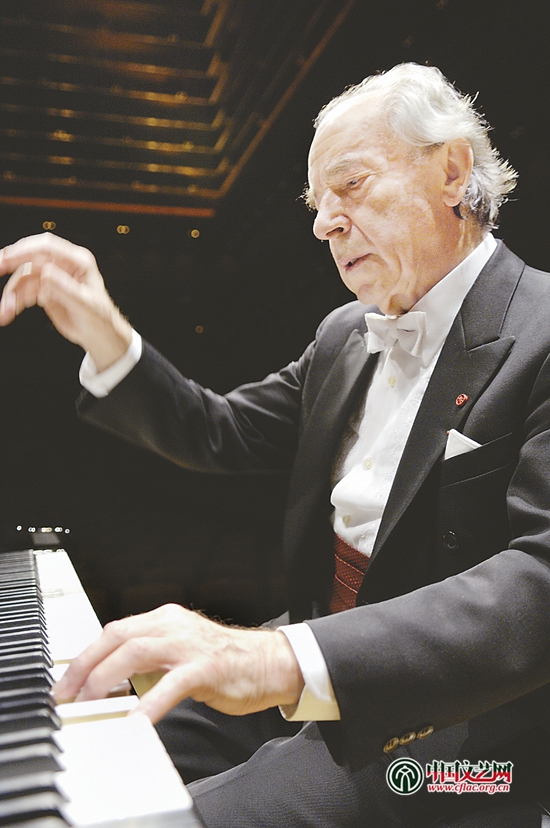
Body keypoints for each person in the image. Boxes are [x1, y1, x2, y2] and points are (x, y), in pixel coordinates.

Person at [1, 63, 550, 828]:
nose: (325, 224)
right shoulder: (343, 336)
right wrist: (105, 332)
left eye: (350, 186)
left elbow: (538, 580)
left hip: (470, 740)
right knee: (86, 753)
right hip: (316, 653)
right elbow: (219, 432)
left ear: (453, 171)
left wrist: (279, 658)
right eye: (318, 204)